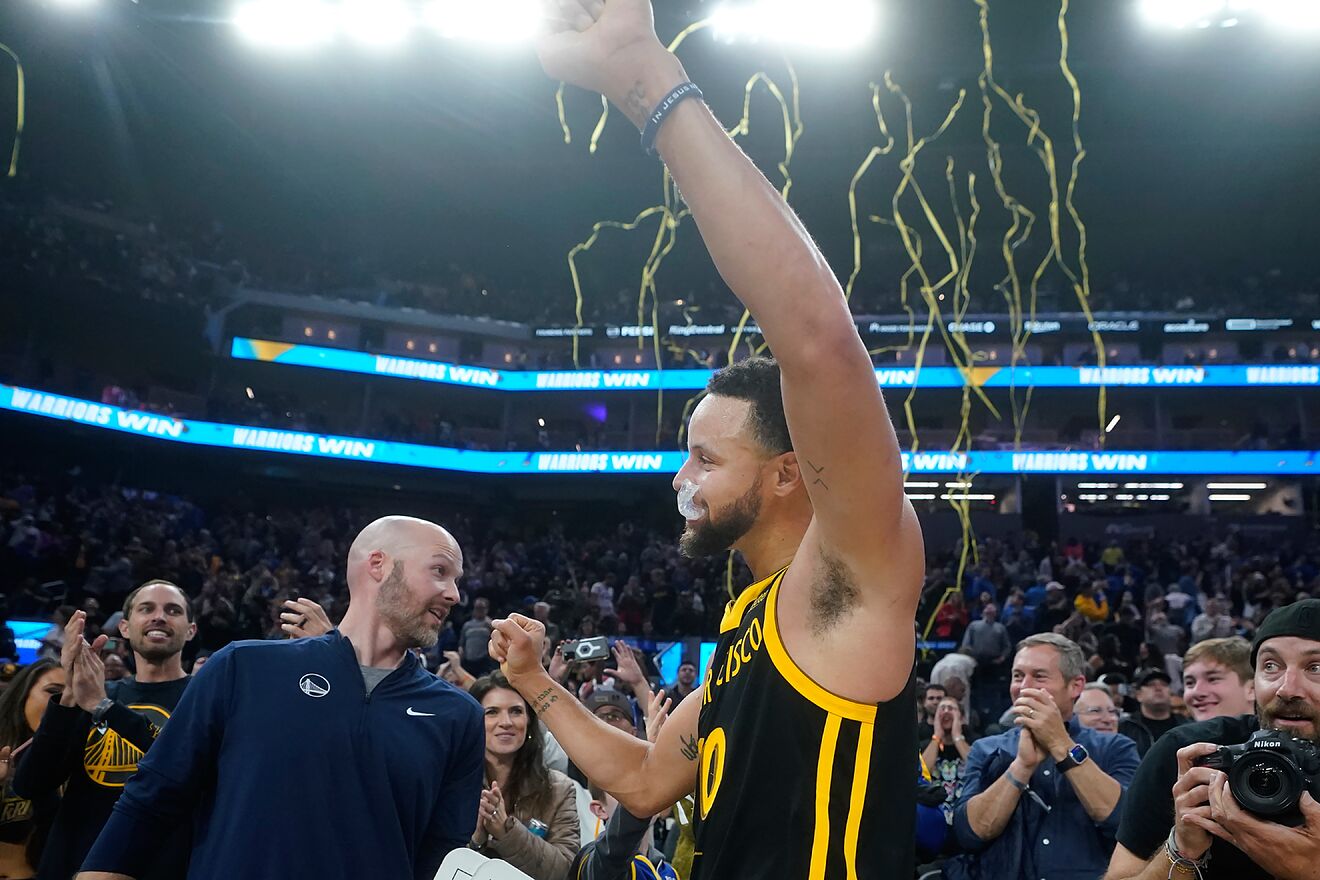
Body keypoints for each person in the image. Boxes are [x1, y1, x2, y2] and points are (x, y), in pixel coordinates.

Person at [489, 2, 926, 876]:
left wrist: (644, 78)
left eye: (707, 458)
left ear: (790, 474)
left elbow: (816, 336)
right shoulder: (750, 619)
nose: (680, 480)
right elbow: (648, 780)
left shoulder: (848, 575)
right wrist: (536, 683)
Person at [74, 516, 484, 880]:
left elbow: (441, 857)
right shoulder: (244, 668)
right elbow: (152, 799)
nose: (454, 595)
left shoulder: (458, 714)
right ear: (378, 565)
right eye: (440, 571)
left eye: (456, 581)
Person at [1104, 599, 1320, 880]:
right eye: (1270, 665)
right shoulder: (1189, 755)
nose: (1286, 688)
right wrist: (1181, 848)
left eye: (1315, 668)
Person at [14, 582, 197, 880]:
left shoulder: (203, 699)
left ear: (190, 630)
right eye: (146, 608)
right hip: (75, 864)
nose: (159, 617)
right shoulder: (89, 694)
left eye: (173, 610)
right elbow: (31, 784)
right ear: (124, 627)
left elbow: (188, 772)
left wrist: (102, 706)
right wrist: (71, 694)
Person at [944, 634, 1140, 880]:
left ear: (1075, 686)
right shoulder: (986, 749)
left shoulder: (1116, 747)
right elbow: (968, 835)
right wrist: (1021, 767)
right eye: (1018, 676)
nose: (1024, 686)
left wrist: (1060, 744)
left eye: (1039, 676)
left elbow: (1126, 823)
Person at [468, 673, 579, 880]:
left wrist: (507, 832)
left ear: (529, 721)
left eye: (516, 711)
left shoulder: (558, 789)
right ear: (473, 721)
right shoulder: (453, 785)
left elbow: (566, 870)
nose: (506, 722)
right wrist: (476, 841)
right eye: (492, 712)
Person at [0, 659, 65, 880]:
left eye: (73, 696)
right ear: (24, 693)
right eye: (54, 692)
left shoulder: (80, 760)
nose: (63, 703)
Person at [921, 697, 974, 828]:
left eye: (951, 708)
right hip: (934, 815)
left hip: (964, 816)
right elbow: (922, 772)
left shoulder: (973, 743)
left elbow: (976, 766)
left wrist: (957, 736)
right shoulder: (926, 745)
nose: (946, 711)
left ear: (961, 718)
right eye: (942, 709)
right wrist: (937, 737)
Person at [1181, 636, 1255, 722]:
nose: (1197, 692)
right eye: (1190, 683)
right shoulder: (1174, 735)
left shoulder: (1272, 734)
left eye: (1212, 679)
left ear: (1252, 689)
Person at [1117, 669, 1188, 757]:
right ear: (1139, 695)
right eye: (1151, 685)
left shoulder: (1186, 725)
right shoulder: (1125, 727)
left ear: (1170, 693)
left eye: (1164, 684)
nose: (1158, 688)